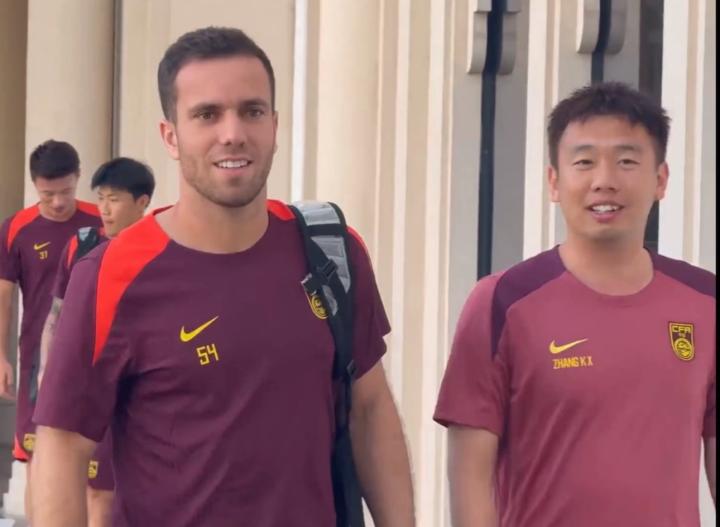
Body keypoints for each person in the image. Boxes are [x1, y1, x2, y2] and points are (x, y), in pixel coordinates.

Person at [32, 26, 415, 527]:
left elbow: (370, 410)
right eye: (207, 114)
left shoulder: (331, 251)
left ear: (274, 125)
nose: (232, 133)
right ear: (171, 136)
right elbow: (62, 446)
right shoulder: (111, 276)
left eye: (252, 111)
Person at [434, 82, 716, 526]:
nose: (604, 180)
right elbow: (470, 475)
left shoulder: (705, 303)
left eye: (626, 161)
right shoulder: (503, 302)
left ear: (661, 180)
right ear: (554, 181)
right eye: (584, 162)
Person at [37, 156, 155, 527]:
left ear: (142, 202)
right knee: (91, 488)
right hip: (89, 386)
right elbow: (56, 316)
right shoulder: (83, 245)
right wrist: (48, 370)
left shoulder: (161, 252)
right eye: (101, 198)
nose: (104, 208)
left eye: (114, 199)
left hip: (141, 392)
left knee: (114, 492)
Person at [0, 139, 101, 520]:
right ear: (34, 186)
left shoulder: (100, 222)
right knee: (36, 459)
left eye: (66, 192)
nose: (58, 202)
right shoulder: (17, 229)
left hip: (95, 358)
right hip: (37, 363)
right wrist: (1, 357)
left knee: (93, 463)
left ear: (78, 178)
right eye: (47, 195)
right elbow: (3, 297)